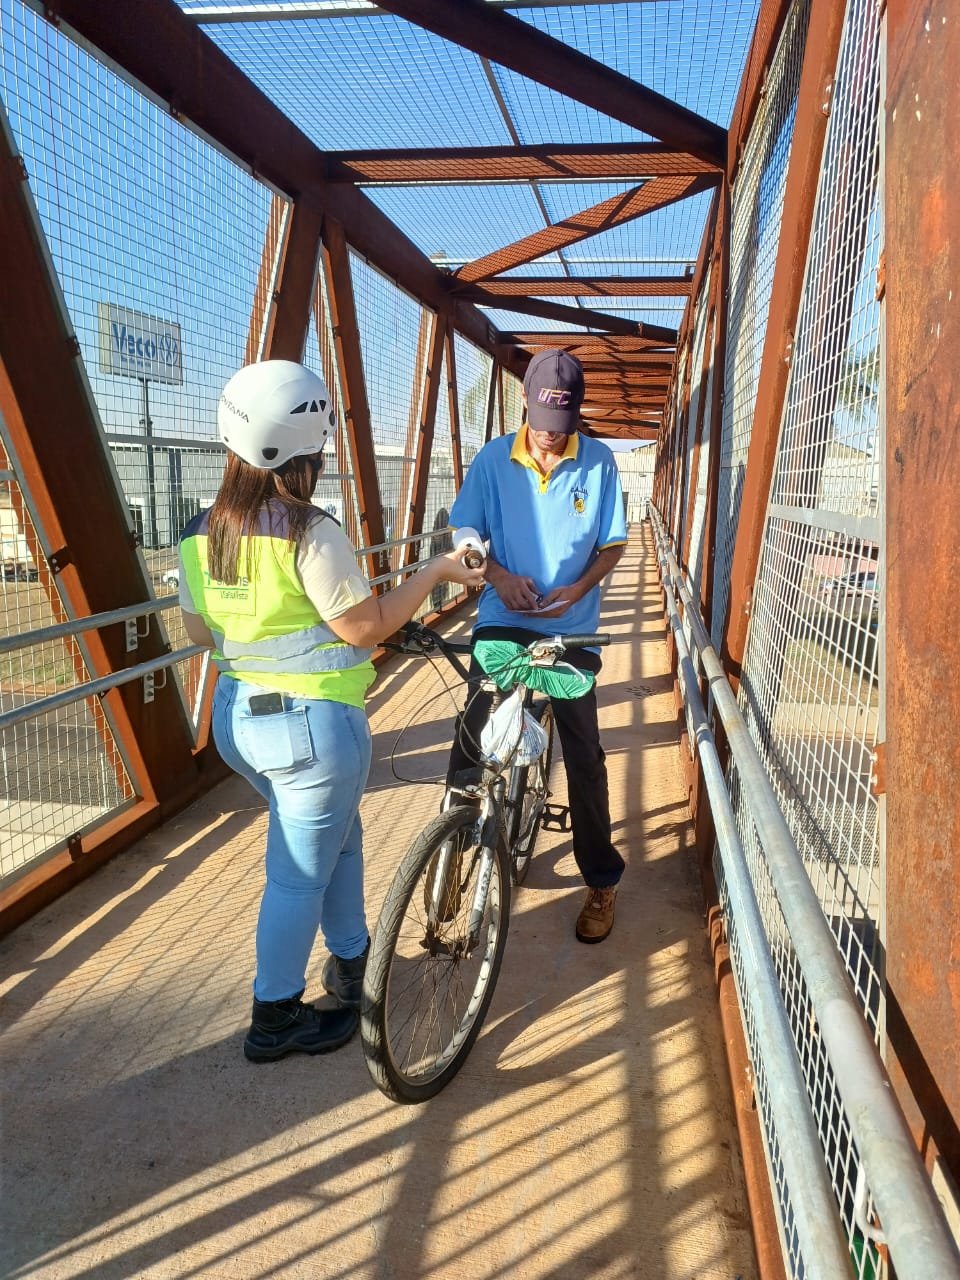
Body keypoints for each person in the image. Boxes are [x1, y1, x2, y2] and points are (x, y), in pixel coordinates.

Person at [178, 359, 484, 1062]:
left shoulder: (201, 530)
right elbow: (364, 627)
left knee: (338, 838)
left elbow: (201, 634)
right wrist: (436, 572)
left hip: (237, 721)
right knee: (296, 876)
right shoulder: (310, 531)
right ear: (307, 452)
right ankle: (274, 1016)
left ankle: (352, 960)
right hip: (310, 730)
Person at [446, 348, 627, 943]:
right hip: (505, 616)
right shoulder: (493, 459)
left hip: (570, 625)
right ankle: (450, 849)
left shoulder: (599, 462)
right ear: (523, 401)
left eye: (563, 424)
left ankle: (601, 879)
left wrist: (579, 588)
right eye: (544, 423)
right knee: (473, 731)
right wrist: (496, 575)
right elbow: (466, 530)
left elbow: (613, 544)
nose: (551, 437)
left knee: (584, 752)